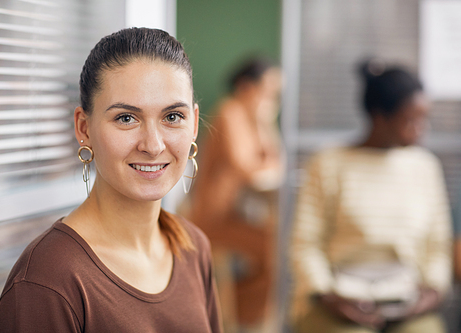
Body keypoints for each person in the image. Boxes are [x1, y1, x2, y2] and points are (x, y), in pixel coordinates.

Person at [0, 28, 222, 333]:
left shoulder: (193, 247)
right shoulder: (47, 281)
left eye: (172, 117)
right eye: (127, 118)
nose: (153, 145)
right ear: (83, 128)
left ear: (193, 124)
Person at [291, 60, 452, 333]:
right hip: (338, 300)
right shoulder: (328, 164)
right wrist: (327, 296)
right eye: (411, 119)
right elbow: (306, 243)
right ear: (380, 117)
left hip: (406, 300)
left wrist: (432, 292)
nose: (422, 128)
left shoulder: (425, 167)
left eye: (425, 118)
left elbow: (438, 245)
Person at [184, 57, 283, 332]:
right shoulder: (230, 113)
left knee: (277, 246)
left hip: (235, 216)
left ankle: (243, 317)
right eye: (268, 91)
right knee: (276, 249)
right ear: (245, 87)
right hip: (212, 220)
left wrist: (265, 124)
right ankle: (238, 320)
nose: (272, 99)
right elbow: (249, 170)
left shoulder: (251, 119)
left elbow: (275, 160)